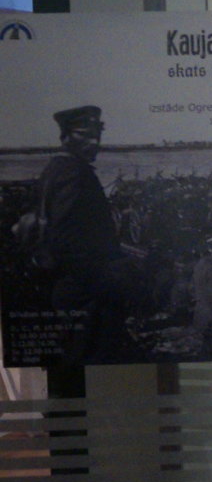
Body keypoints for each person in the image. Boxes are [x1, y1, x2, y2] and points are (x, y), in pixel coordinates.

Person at [34, 105, 135, 362]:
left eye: (97, 136)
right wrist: (100, 276)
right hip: (84, 287)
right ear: (66, 136)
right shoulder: (73, 172)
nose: (94, 143)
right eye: (85, 135)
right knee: (90, 352)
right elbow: (65, 234)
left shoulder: (58, 167)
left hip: (73, 284)